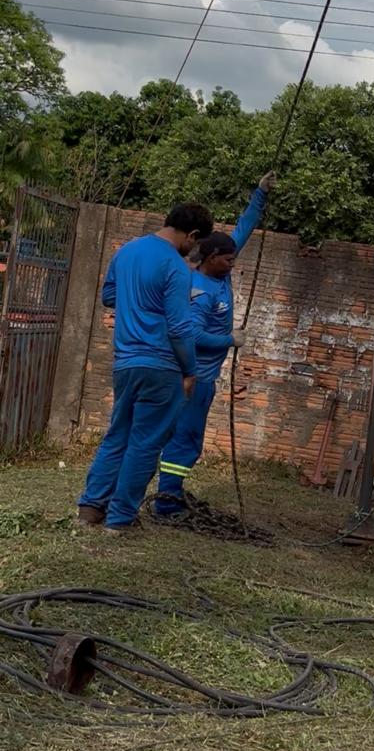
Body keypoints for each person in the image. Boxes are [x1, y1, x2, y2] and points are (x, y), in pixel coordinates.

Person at [77, 201, 214, 535]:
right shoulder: (177, 268)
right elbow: (181, 329)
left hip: (125, 363)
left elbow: (109, 296)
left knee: (117, 435)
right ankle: (120, 520)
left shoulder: (127, 251)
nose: (192, 249)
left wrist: (138, 299)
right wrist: (190, 370)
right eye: (195, 243)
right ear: (192, 234)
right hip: (162, 366)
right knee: (146, 443)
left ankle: (90, 509)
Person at [153, 172, 275, 515]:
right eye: (229, 260)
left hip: (204, 378)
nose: (234, 263)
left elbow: (242, 231)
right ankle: (166, 504)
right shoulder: (199, 292)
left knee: (184, 439)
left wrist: (260, 194)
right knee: (185, 440)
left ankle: (168, 495)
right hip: (192, 378)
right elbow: (189, 336)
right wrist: (229, 339)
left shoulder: (219, 270)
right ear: (210, 258)